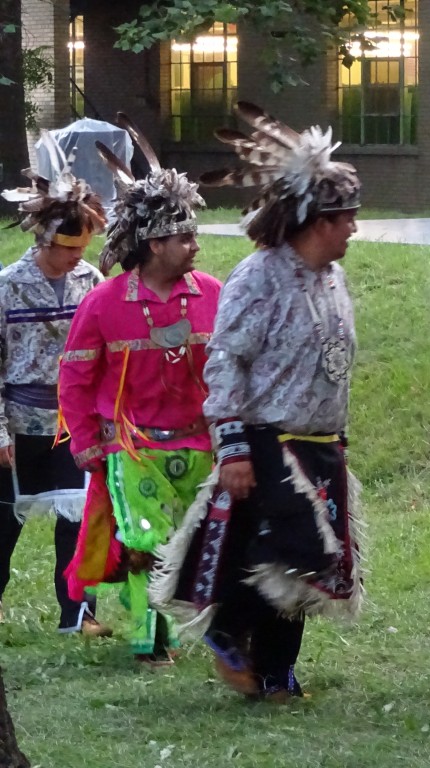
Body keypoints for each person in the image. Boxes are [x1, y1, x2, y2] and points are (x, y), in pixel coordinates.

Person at [152, 102, 365, 703]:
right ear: (316, 220)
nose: (354, 227)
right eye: (346, 217)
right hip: (271, 439)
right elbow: (224, 360)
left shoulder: (331, 277)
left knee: (299, 571)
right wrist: (234, 448)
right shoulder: (258, 277)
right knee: (294, 555)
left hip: (321, 442)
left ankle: (275, 673)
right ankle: (226, 629)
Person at [59, 115, 219, 667]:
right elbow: (76, 375)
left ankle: (205, 628)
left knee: (194, 541)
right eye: (183, 237)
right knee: (145, 539)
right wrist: (83, 438)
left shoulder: (213, 295)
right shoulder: (103, 304)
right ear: (152, 244)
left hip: (200, 443)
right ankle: (151, 641)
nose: (194, 246)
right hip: (133, 446)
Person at [0, 135, 111, 636]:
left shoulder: (91, 283)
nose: (74, 258)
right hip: (19, 421)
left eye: (81, 248)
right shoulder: (6, 286)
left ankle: (78, 614)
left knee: (78, 520)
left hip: (73, 423)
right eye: (65, 249)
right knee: (4, 524)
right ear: (41, 240)